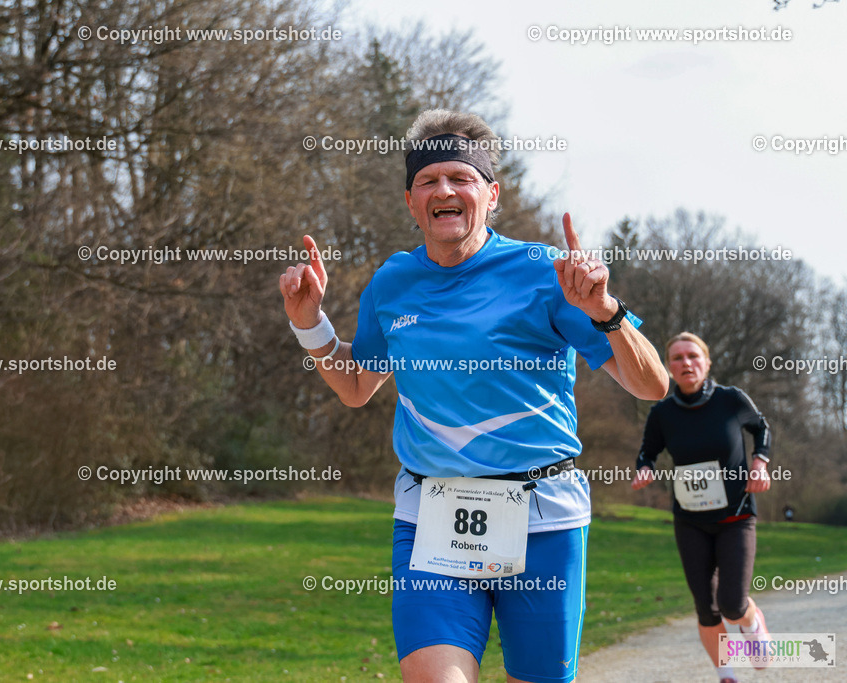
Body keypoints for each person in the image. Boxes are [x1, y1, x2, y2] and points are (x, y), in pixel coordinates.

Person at [279, 109, 668, 683]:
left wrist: (605, 312)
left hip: (542, 515)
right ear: (411, 202)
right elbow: (357, 386)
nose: (444, 190)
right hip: (431, 512)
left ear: (491, 195)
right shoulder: (392, 283)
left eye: (460, 177)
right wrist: (309, 324)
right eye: (427, 180)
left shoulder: (547, 273)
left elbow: (651, 385)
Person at [632, 332, 772, 683]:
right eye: (677, 358)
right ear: (669, 367)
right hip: (690, 520)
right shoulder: (662, 413)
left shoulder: (731, 400)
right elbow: (648, 451)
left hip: (736, 515)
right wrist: (645, 468)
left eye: (693, 356)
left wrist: (760, 463)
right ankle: (727, 676)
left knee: (732, 605)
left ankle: (752, 621)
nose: (686, 363)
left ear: (707, 363)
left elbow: (761, 428)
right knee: (706, 609)